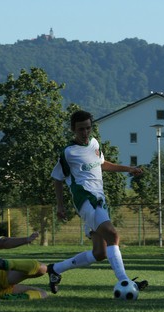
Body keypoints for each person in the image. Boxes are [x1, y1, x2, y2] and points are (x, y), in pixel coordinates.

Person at [49, 110, 148, 294]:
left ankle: (55, 269)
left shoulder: (94, 143)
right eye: (81, 129)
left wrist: (129, 168)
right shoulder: (68, 153)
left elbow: (102, 164)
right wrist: (60, 205)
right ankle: (125, 281)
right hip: (86, 200)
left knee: (100, 253)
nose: (85, 133)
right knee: (113, 235)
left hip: (100, 200)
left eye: (88, 128)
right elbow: (57, 178)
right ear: (73, 129)